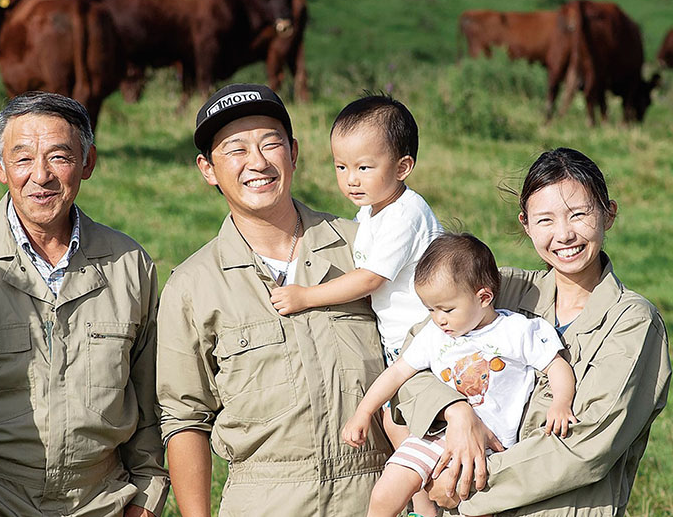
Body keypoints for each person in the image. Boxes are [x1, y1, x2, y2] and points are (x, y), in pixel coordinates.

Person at [0, 92, 168, 517]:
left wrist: (146, 499)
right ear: (0, 167)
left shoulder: (129, 265)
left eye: (59, 157)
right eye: (23, 158)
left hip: (103, 501)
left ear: (88, 163)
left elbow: (152, 401)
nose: (41, 176)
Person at [157, 83, 391, 517]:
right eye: (235, 150)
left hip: (376, 495)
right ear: (207, 169)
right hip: (264, 500)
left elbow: (435, 333)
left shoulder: (364, 248)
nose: (258, 162)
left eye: (271, 143)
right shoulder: (192, 285)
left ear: (294, 152)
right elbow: (184, 417)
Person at [397, 147, 671, 517]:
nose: (564, 235)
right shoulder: (501, 289)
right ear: (525, 224)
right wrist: (455, 410)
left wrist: (466, 486)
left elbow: (587, 448)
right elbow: (412, 359)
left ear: (608, 214)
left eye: (578, 214)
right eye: (545, 220)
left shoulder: (633, 322)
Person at [268, 94, 442, 514]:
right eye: (341, 167)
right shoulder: (372, 211)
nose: (351, 180)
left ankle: (429, 507)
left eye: (364, 167)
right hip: (404, 342)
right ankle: (424, 506)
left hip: (429, 336)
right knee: (397, 423)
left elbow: (370, 278)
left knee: (406, 424)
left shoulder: (406, 214)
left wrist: (306, 296)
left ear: (402, 168)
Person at [342, 233, 576, 517]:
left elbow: (557, 364)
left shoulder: (517, 331)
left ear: (484, 297)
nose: (439, 318)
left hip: (488, 449)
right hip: (432, 434)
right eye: (430, 309)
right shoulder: (434, 334)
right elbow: (397, 373)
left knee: (475, 507)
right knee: (386, 491)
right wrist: (363, 412)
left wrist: (561, 403)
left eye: (447, 309)